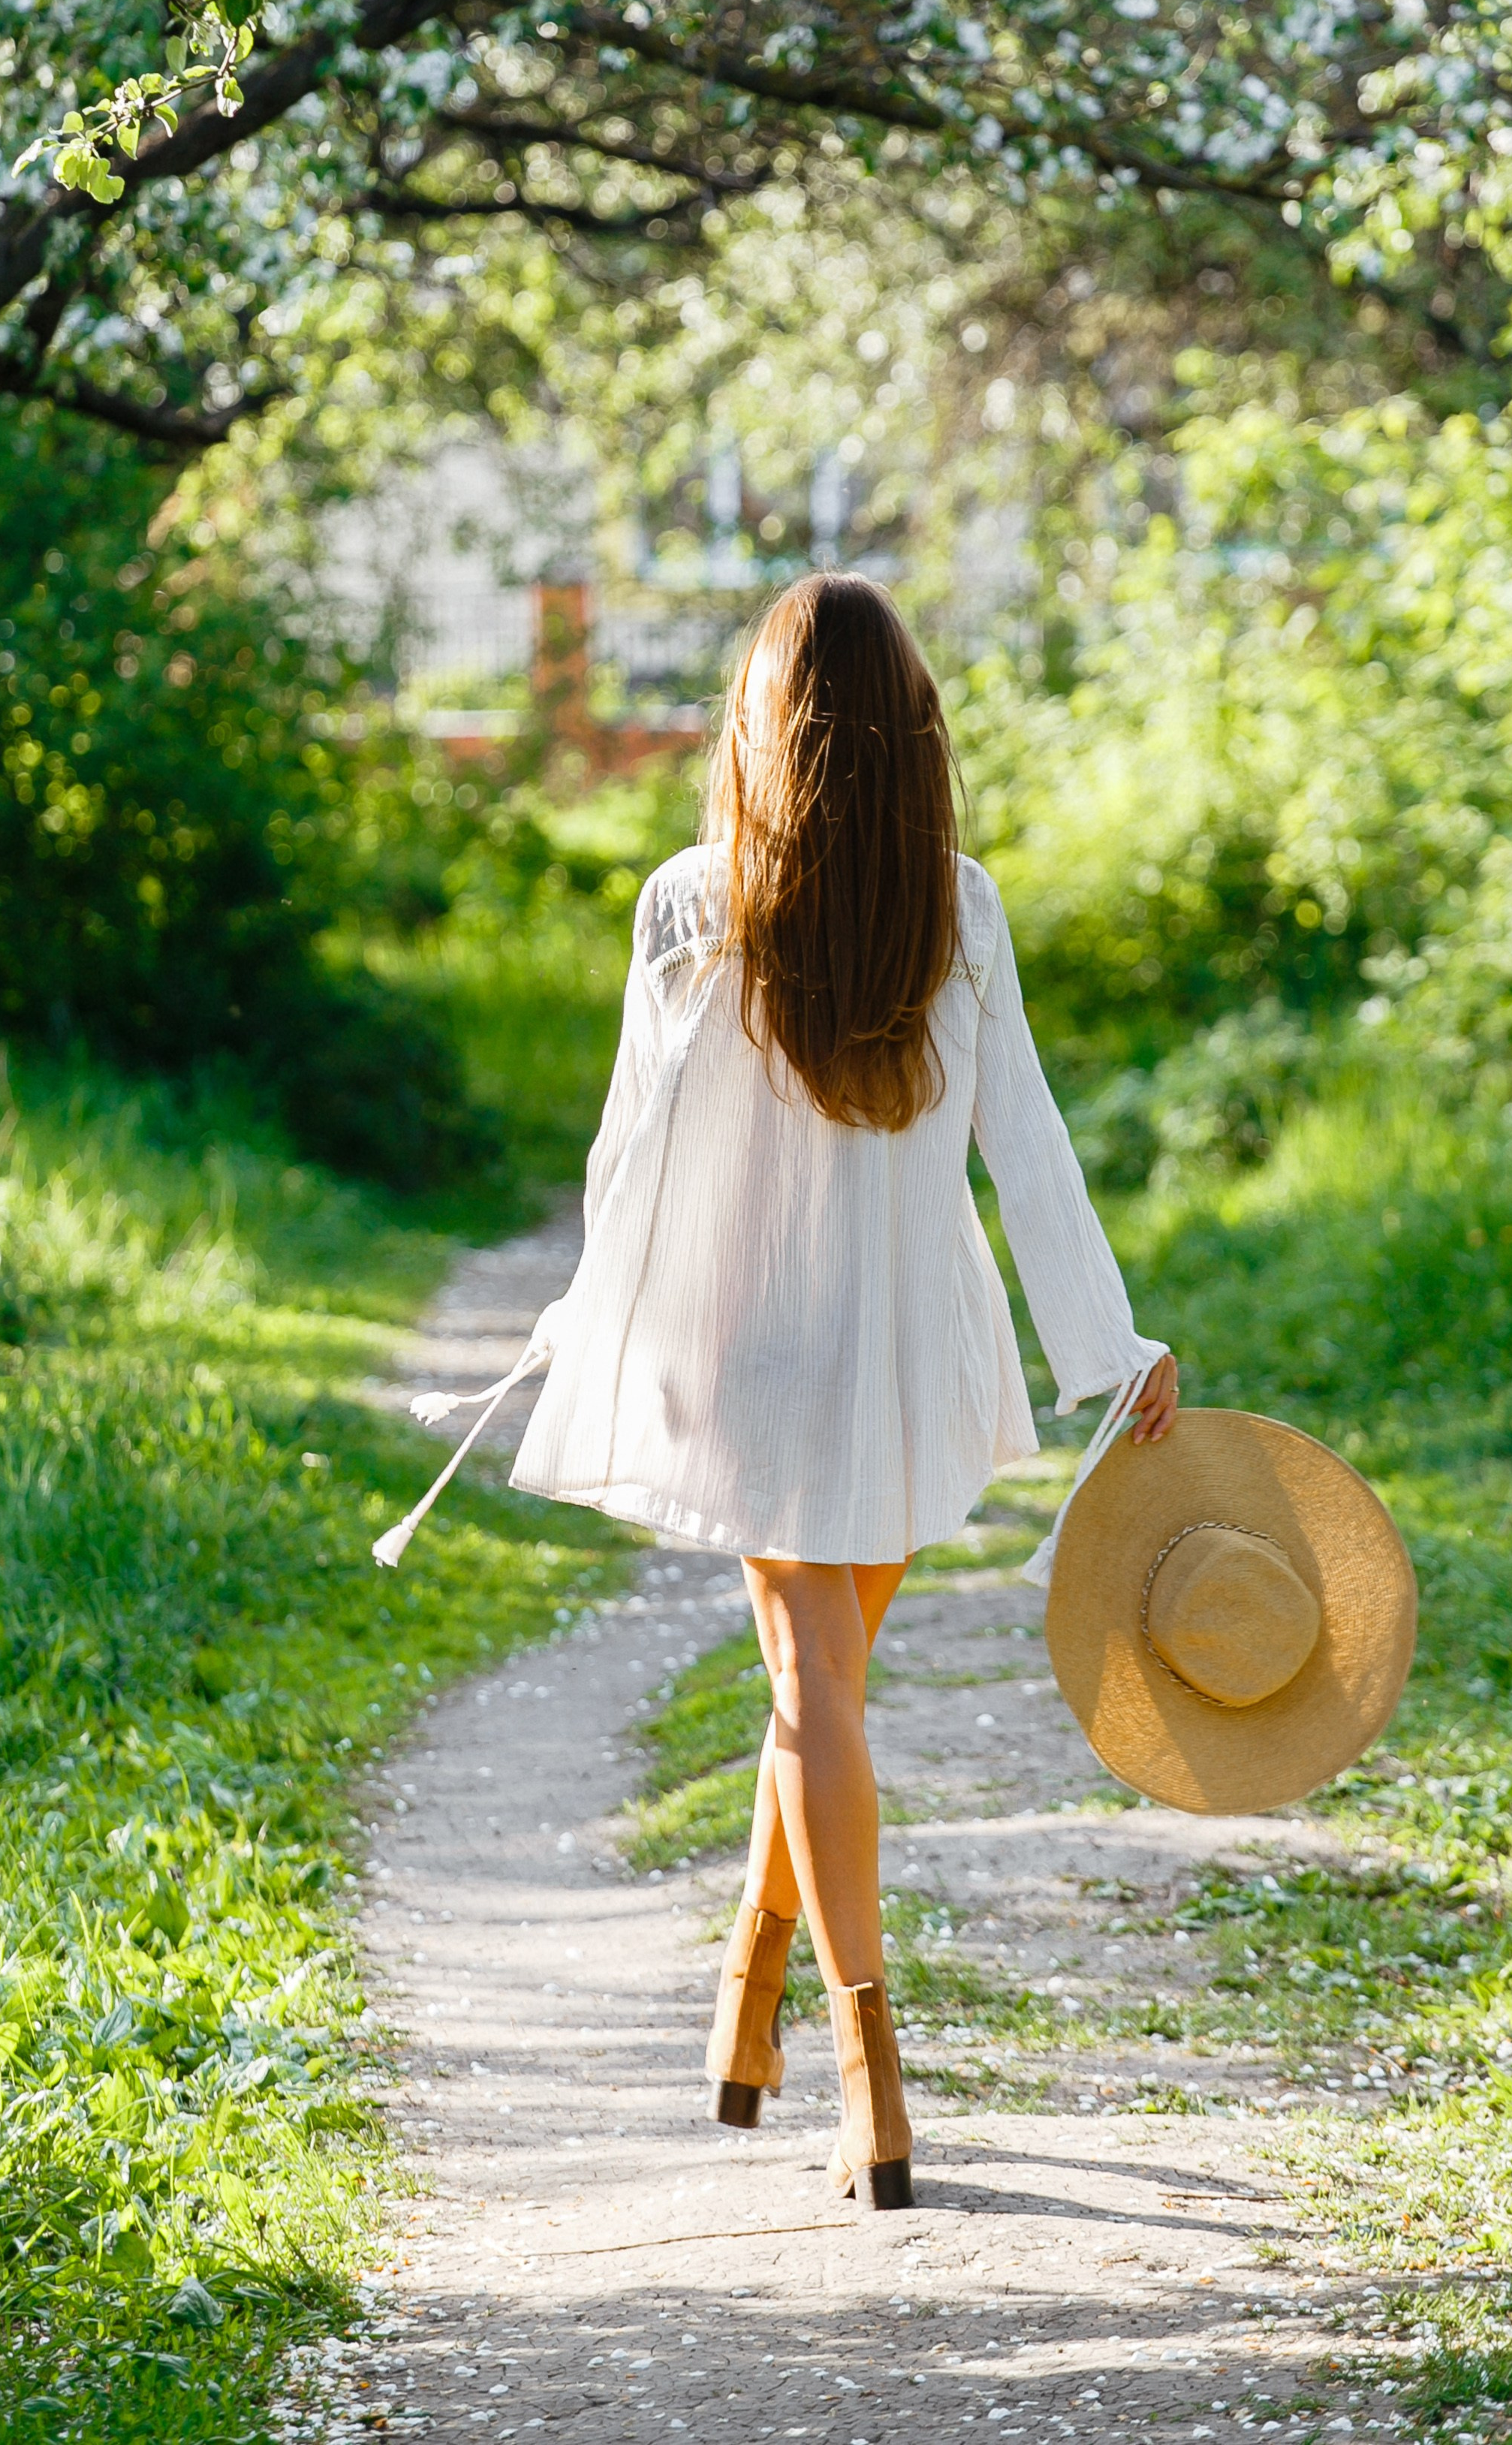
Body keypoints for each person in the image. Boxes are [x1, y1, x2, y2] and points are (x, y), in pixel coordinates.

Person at [506, 574, 1177, 2209]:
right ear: (911, 736)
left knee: (821, 1693)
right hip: (903, 1354)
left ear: (764, 725)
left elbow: (628, 1157)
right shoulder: (960, 902)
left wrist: (596, 1306)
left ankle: (764, 2003)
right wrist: (1107, 1339)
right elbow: (1029, 1141)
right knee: (822, 1686)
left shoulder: (693, 895)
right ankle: (864, 2067)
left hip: (757, 1357)